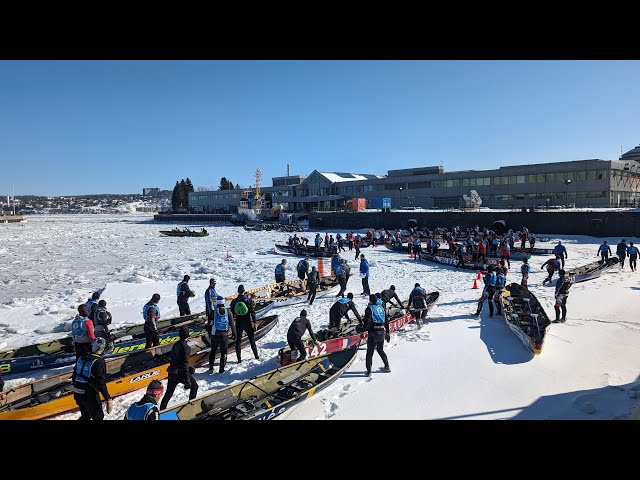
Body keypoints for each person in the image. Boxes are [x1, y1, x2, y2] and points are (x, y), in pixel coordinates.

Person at [72, 337, 112, 421]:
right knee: (98, 417)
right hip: (89, 394)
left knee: (85, 416)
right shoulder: (98, 361)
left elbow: (74, 376)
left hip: (77, 392)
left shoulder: (81, 358)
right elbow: (101, 383)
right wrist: (108, 398)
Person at [159, 325, 198, 410]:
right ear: (188, 335)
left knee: (168, 394)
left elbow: (176, 359)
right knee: (194, 387)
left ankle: (161, 411)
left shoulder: (176, 344)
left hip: (172, 371)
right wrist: (187, 380)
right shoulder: (186, 347)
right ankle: (191, 408)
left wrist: (189, 367)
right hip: (180, 373)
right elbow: (183, 364)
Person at [357, 294, 390, 377]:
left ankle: (369, 371)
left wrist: (362, 331)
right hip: (381, 332)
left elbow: (367, 322)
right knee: (380, 350)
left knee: (370, 352)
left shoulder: (369, 309)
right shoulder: (381, 308)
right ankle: (387, 366)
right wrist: (387, 333)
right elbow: (386, 321)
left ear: (370, 301)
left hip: (373, 333)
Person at [207, 296, 237, 374]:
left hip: (215, 335)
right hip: (224, 335)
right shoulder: (228, 312)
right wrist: (234, 332)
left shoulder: (213, 313)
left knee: (213, 351)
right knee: (224, 352)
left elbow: (209, 325)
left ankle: (211, 368)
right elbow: (232, 323)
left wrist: (209, 333)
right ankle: (221, 369)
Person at [230, 285, 259, 362]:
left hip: (238, 323)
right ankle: (256, 356)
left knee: (238, 341)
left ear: (238, 291)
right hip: (247, 323)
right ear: (244, 291)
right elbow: (253, 312)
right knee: (252, 340)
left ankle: (239, 359)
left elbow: (232, 314)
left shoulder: (234, 301)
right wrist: (255, 322)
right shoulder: (248, 300)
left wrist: (232, 326)